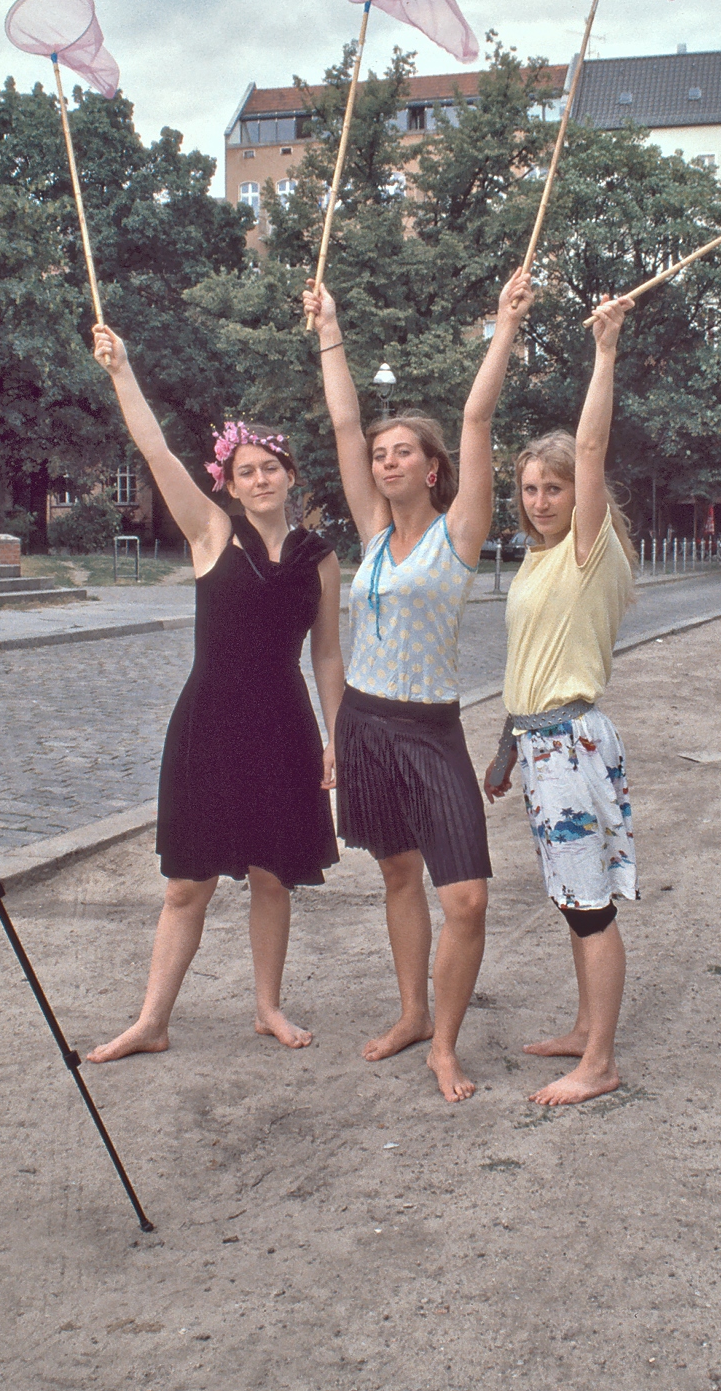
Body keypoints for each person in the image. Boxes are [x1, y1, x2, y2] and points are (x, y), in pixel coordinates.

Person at [303, 267, 533, 1103]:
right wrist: (327, 324)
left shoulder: (457, 536)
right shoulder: (369, 535)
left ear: (433, 470)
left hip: (431, 731)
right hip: (364, 722)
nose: (384, 458)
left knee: (465, 897)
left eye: (402, 452)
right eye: (379, 455)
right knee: (397, 875)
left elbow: (475, 417)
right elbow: (341, 418)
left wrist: (503, 325)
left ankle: (446, 1042)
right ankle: (411, 1014)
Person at [85, 322, 343, 1061]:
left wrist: (336, 735)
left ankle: (267, 1006)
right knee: (186, 885)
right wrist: (122, 369)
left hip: (284, 727)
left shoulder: (318, 558)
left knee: (271, 876)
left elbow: (326, 654)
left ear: (291, 476)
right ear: (227, 483)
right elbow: (155, 453)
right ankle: (152, 1020)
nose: (260, 479)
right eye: (247, 471)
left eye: (272, 468)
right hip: (209, 723)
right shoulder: (210, 533)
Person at [483, 294, 638, 1106]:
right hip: (539, 746)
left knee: (591, 904)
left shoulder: (586, 545)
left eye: (554, 487)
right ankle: (585, 1029)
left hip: (572, 745)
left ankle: (600, 1062)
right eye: (530, 488)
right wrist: (505, 751)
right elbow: (527, 663)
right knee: (572, 898)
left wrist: (604, 352)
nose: (541, 498)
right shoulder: (538, 559)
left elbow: (590, 443)